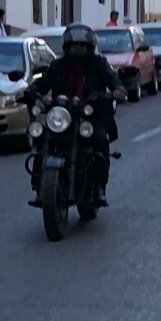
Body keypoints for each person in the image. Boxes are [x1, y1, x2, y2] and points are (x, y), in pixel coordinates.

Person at [33, 24, 126, 205]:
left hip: (90, 114)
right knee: (43, 140)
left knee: (100, 140)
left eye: (82, 46)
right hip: (62, 115)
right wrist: (29, 92)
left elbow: (113, 80)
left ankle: (99, 187)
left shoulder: (99, 64)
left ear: (89, 47)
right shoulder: (58, 65)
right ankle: (39, 186)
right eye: (74, 46)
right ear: (67, 47)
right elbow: (43, 84)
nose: (78, 49)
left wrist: (118, 90)